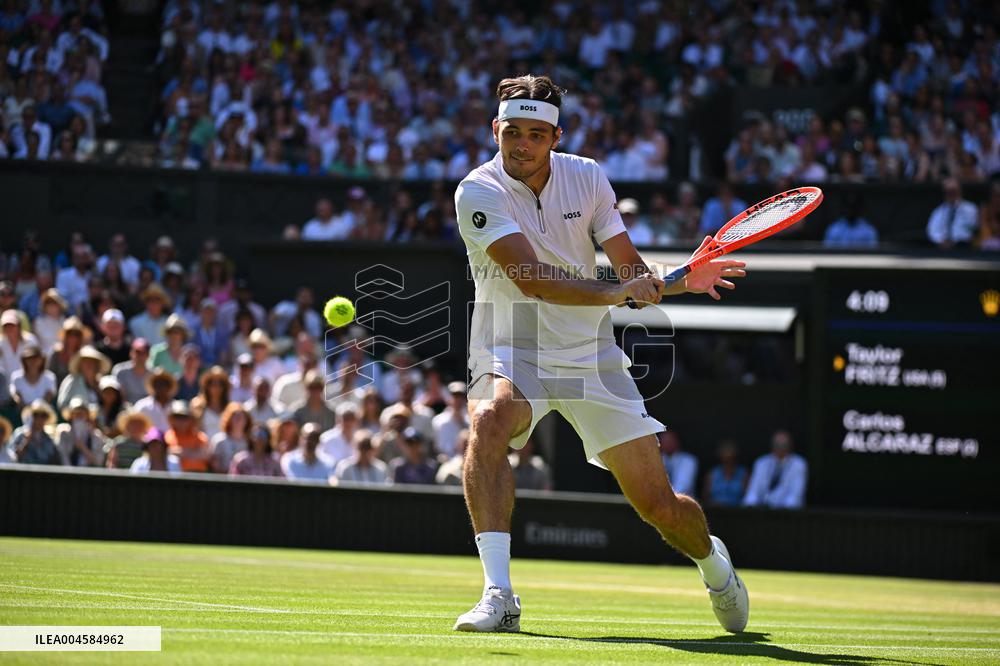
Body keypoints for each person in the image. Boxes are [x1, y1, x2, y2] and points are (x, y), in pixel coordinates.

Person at [451, 75, 749, 634]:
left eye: (536, 134)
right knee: (490, 421)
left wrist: (683, 279)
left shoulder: (587, 178)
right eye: (511, 131)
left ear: (555, 137)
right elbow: (534, 280)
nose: (521, 144)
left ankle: (714, 563)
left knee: (659, 507)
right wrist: (622, 290)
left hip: (590, 353)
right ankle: (499, 593)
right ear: (495, 129)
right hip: (511, 341)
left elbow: (632, 270)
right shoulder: (477, 190)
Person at [743, 430, 808, 509]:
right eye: (777, 445)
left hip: (787, 514)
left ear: (790, 446)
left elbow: (795, 497)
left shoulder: (798, 464)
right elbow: (753, 492)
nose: (780, 448)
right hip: (761, 512)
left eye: (783, 445)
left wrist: (780, 513)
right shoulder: (761, 463)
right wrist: (749, 508)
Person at [926, 177, 979, 248]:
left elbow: (972, 229)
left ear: (959, 191)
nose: (951, 194)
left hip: (964, 247)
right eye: (948, 192)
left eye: (953, 191)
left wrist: (955, 241)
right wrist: (941, 241)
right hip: (942, 248)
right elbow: (932, 230)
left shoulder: (971, 209)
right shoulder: (938, 211)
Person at [55, 397, 108, 467]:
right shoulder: (64, 434)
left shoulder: (96, 435)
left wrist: (82, 447)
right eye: (76, 413)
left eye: (82, 414)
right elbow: (63, 458)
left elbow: (99, 462)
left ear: (87, 416)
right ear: (71, 416)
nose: (79, 416)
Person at [56, 344, 110, 411]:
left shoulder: (102, 383)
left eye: (92, 361)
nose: (89, 364)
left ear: (97, 364)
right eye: (85, 361)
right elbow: (62, 404)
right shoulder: (71, 380)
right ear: (80, 364)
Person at [6, 399, 60, 465]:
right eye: (36, 415)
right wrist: (26, 441)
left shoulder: (49, 439)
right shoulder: (20, 433)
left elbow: (52, 462)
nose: (39, 419)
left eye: (43, 415)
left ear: (46, 418)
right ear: (31, 416)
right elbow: (12, 458)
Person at [164, 400, 211, 473]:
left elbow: (205, 455)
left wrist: (181, 452)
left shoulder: (200, 436)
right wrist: (192, 451)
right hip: (175, 475)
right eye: (177, 417)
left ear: (191, 419)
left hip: (198, 475)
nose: (181, 421)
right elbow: (165, 454)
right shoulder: (167, 436)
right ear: (172, 419)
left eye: (185, 417)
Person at [703, 440, 748, 507]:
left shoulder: (743, 474)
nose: (728, 462)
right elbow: (705, 497)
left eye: (731, 458)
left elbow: (748, 497)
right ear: (721, 458)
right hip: (715, 510)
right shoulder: (713, 473)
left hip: (737, 512)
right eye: (726, 459)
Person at [432, 381, 469, 459]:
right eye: (454, 396)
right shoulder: (438, 421)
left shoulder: (470, 421)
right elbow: (434, 447)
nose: (457, 400)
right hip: (443, 464)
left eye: (460, 397)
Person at [134, 368, 177, 433]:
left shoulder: (177, 407)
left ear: (169, 386)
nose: (161, 387)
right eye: (157, 383)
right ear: (153, 386)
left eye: (164, 384)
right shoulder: (142, 406)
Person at [210, 402, 250, 473]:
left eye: (241, 417)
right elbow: (215, 466)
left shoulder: (251, 441)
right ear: (229, 419)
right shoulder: (219, 440)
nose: (238, 420)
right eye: (235, 417)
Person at [658, 430, 698, 498]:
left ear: (676, 442)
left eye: (669, 441)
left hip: (684, 503)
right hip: (661, 503)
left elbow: (683, 487)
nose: (666, 444)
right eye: (663, 441)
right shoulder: (658, 460)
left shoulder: (688, 460)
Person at [318, 402, 359, 467]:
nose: (349, 422)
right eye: (345, 418)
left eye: (352, 418)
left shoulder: (360, 438)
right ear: (338, 419)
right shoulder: (326, 439)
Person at [112, 338, 151, 404]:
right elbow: (122, 397)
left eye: (144, 353)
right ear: (131, 353)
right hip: (127, 409)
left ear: (148, 355)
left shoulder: (154, 374)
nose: (140, 356)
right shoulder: (120, 371)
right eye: (138, 352)